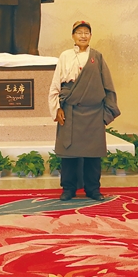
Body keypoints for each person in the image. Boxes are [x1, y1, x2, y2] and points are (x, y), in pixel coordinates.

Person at [49, 21, 121, 201]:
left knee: (93, 154)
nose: (83, 36)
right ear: (73, 36)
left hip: (94, 113)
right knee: (69, 153)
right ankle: (68, 188)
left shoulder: (97, 57)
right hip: (70, 110)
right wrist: (57, 108)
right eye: (79, 32)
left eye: (86, 32)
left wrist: (107, 114)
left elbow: (108, 86)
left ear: (90, 36)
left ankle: (93, 189)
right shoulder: (65, 56)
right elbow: (56, 84)